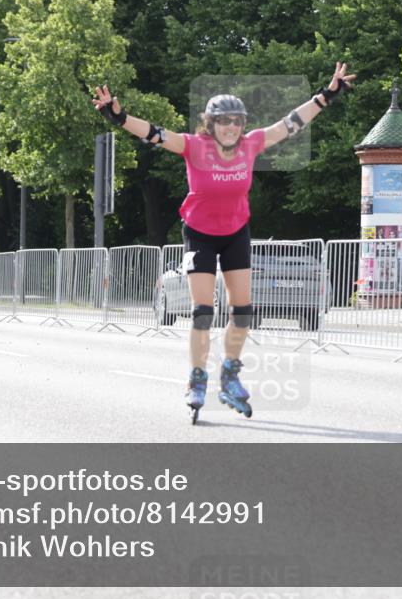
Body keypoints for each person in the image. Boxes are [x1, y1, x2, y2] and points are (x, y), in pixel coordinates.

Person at [92, 62, 355, 421]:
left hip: (235, 232)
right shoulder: (193, 146)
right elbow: (154, 133)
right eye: (223, 121)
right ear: (210, 123)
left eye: (237, 121)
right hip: (199, 233)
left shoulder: (251, 144)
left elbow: (290, 123)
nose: (231, 127)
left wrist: (327, 95)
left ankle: (229, 375)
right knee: (203, 312)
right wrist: (118, 117)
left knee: (243, 312)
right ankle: (197, 378)